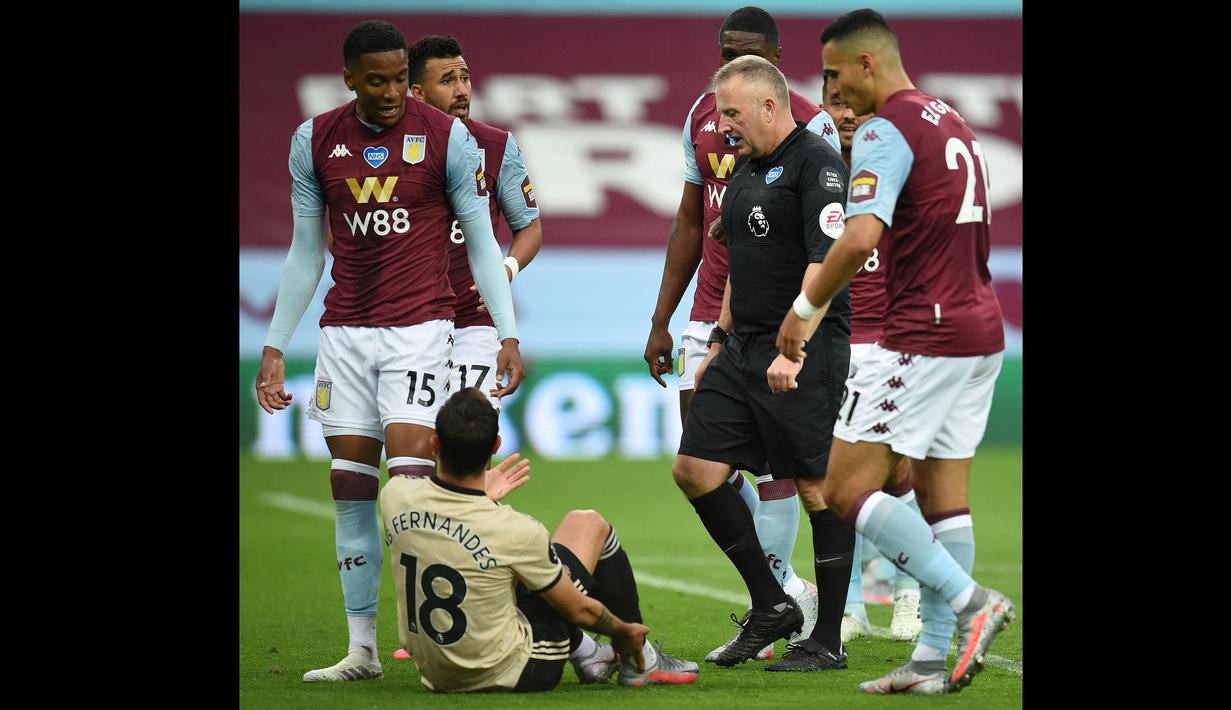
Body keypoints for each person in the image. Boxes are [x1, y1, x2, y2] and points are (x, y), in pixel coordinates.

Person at [253, 19, 525, 683]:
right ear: (348, 77)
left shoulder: (447, 140)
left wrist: (508, 332)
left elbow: (484, 243)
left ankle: (429, 644)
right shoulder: (314, 140)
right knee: (349, 492)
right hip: (343, 334)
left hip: (418, 332)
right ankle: (362, 651)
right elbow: (306, 251)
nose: (390, 93)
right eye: (375, 81)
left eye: (399, 79)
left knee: (407, 494)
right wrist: (273, 346)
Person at [775, 9, 1015, 694]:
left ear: (866, 64)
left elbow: (857, 239)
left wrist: (802, 311)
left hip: (924, 333)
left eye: (832, 73)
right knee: (945, 502)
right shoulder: (950, 118)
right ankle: (932, 661)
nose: (830, 89)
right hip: (979, 329)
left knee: (843, 485)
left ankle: (973, 602)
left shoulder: (884, 126)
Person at [642, 5, 840, 663]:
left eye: (746, 53)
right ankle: (775, 597)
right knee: (699, 463)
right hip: (728, 322)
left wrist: (799, 335)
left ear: (775, 66)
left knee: (798, 478)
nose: (723, 122)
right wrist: (676, 323)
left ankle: (813, 618)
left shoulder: (814, 138)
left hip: (792, 328)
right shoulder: (718, 135)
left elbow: (832, 249)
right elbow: (701, 229)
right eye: (724, 50)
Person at [380, 388, 700, 692]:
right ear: (496, 446)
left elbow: (450, 539)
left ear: (434, 444)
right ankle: (640, 659)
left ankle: (589, 653)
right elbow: (580, 613)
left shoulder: (395, 495)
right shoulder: (513, 529)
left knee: (501, 570)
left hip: (436, 673)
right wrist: (622, 631)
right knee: (586, 523)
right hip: (518, 671)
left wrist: (480, 499)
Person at [818, 75, 924, 646]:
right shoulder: (814, 172)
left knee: (900, 472)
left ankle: (908, 594)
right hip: (835, 338)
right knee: (839, 477)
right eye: (835, 104)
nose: (846, 114)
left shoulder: (899, 170)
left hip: (891, 339)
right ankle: (853, 606)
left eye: (853, 103)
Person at [407, 34, 543, 412]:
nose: (462, 90)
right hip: (407, 321)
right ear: (418, 92)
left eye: (465, 78)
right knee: (414, 451)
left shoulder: (497, 145)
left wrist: (506, 269)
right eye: (447, 81)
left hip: (474, 321)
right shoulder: (392, 151)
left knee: (472, 440)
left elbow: (529, 227)